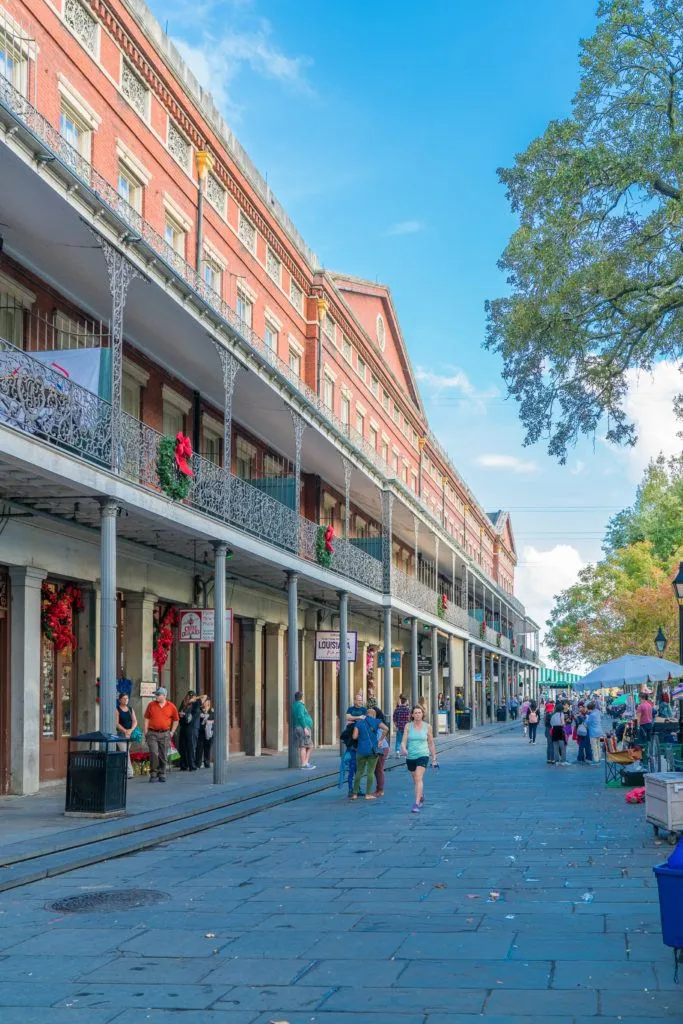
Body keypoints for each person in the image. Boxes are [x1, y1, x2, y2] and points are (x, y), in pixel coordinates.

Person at [400, 704, 438, 813]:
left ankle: (416, 804)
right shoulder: (408, 726)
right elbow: (404, 740)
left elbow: (430, 743)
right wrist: (403, 748)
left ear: (422, 714)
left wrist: (434, 758)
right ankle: (420, 795)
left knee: (418, 777)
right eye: (415, 713)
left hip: (423, 754)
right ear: (412, 715)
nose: (417, 714)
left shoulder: (427, 726)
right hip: (411, 755)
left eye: (419, 712)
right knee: (416, 780)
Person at [143, 687, 179, 782]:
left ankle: (162, 773)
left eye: (158, 695)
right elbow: (146, 718)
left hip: (165, 733)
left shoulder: (171, 706)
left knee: (163, 754)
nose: (156, 696)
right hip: (152, 733)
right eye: (156, 694)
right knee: (153, 753)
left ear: (164, 696)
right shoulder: (151, 705)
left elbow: (176, 720)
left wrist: (172, 732)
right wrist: (145, 732)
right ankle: (154, 772)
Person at [351, 709, 382, 800]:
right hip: (372, 750)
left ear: (366, 714)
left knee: (359, 772)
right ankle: (368, 794)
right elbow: (386, 728)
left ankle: (354, 794)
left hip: (361, 750)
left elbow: (354, 736)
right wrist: (381, 740)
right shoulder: (376, 721)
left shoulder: (359, 723)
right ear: (374, 715)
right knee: (370, 772)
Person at [177, 690, 202, 770]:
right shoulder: (184, 703)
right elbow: (179, 712)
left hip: (192, 727)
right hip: (184, 726)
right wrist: (180, 714)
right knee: (182, 747)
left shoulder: (196, 703)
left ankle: (192, 765)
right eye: (189, 696)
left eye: (192, 696)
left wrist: (194, 699)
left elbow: (205, 696)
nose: (190, 698)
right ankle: (184, 765)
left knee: (191, 747)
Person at [292, 690, 315, 770]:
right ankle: (304, 764)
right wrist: (305, 727)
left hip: (298, 727)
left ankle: (305, 763)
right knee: (306, 746)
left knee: (305, 745)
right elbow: (300, 716)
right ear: (302, 697)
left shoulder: (294, 705)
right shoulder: (300, 705)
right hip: (302, 727)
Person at [115, 692, 137, 778]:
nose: (126, 700)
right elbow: (116, 723)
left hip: (129, 734)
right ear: (120, 700)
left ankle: (121, 771)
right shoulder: (117, 709)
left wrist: (130, 730)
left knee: (124, 753)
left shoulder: (130, 709)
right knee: (125, 753)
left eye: (127, 698)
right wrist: (125, 731)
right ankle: (129, 772)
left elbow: (135, 721)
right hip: (120, 734)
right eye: (124, 698)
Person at [369, 706, 390, 796]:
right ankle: (379, 789)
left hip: (382, 748)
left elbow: (386, 730)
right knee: (376, 769)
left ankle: (380, 790)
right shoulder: (373, 722)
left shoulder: (376, 722)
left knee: (379, 769)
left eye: (370, 714)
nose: (368, 716)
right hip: (380, 747)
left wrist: (380, 740)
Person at [194, 695, 214, 768]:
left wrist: (209, 720)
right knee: (199, 748)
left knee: (207, 748)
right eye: (204, 701)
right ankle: (198, 763)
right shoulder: (199, 710)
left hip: (209, 732)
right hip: (201, 731)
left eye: (206, 701)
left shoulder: (211, 710)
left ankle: (207, 762)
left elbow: (214, 719)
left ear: (209, 702)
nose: (205, 703)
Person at [586, 701, 605, 765]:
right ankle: (599, 758)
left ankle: (596, 760)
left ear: (590, 709)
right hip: (599, 731)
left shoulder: (591, 715)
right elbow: (602, 716)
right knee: (598, 745)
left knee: (594, 747)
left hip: (593, 732)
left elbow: (587, 723)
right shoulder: (598, 712)